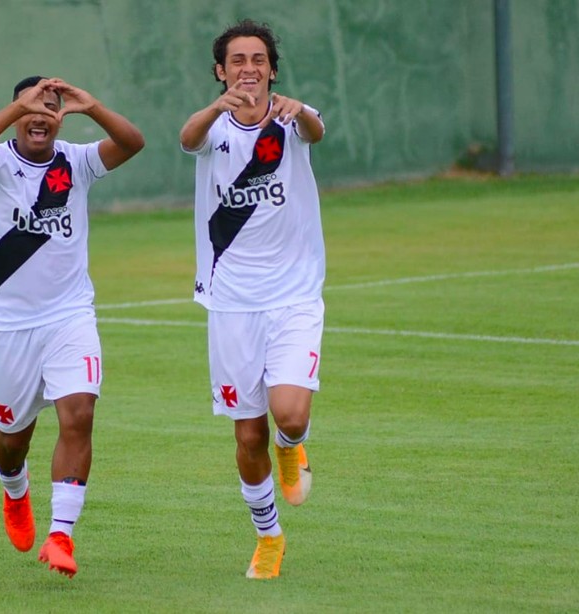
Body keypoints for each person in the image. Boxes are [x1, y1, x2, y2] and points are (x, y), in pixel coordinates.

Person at [0, 76, 144, 578]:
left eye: (51, 107)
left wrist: (92, 106)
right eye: (32, 107)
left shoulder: (76, 162)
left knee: (79, 413)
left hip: (68, 316)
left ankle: (61, 535)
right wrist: (17, 106)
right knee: (12, 438)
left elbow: (131, 143)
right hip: (6, 325)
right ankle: (14, 488)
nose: (41, 116)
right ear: (17, 112)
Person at [179, 19, 325, 580]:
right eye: (237, 60)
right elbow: (187, 138)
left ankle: (293, 445)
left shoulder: (292, 120)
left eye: (258, 59)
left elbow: (316, 131)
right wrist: (215, 108)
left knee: (290, 414)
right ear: (221, 71)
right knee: (247, 434)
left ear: (272, 70)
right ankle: (268, 537)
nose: (248, 68)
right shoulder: (212, 127)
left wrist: (300, 110)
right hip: (231, 303)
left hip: (294, 296)